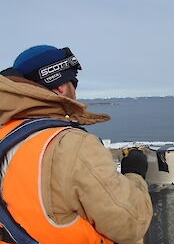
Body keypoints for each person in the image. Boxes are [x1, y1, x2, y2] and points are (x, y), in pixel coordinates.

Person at [0, 45, 153, 244]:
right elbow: (131, 224)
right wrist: (135, 173)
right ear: (60, 86)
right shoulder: (73, 145)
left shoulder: (6, 134)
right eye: (75, 82)